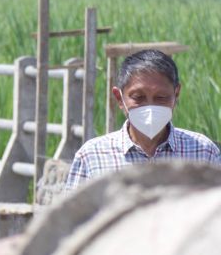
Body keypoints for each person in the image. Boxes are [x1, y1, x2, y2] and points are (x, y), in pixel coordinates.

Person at [67, 49, 220, 189]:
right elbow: (71, 217)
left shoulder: (203, 151)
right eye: (138, 97)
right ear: (119, 98)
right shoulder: (92, 156)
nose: (150, 107)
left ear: (176, 94)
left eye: (161, 97)